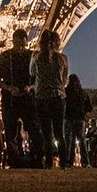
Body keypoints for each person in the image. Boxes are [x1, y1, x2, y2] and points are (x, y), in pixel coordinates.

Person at [0, 28, 39, 167]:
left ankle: (33, 159)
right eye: (17, 45)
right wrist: (9, 88)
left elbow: (40, 79)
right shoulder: (5, 56)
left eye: (22, 45)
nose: (19, 48)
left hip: (27, 98)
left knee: (33, 129)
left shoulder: (32, 56)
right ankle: (16, 160)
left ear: (26, 41)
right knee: (12, 131)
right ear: (13, 41)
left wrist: (29, 88)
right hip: (10, 99)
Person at [31, 29, 69, 169]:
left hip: (41, 98)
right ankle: (64, 163)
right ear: (57, 43)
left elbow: (31, 73)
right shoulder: (63, 58)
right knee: (60, 133)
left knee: (46, 134)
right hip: (58, 97)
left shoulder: (36, 56)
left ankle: (48, 163)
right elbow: (64, 81)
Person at [63, 73, 92, 167]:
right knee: (82, 141)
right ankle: (85, 162)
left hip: (68, 118)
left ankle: (68, 161)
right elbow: (89, 107)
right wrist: (83, 112)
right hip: (80, 119)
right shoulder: (83, 93)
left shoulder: (65, 91)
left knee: (69, 141)